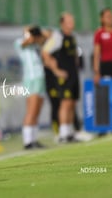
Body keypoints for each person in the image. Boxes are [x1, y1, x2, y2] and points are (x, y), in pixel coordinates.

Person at [42, 13, 80, 143]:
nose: (72, 22)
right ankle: (63, 134)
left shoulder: (72, 37)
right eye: (69, 20)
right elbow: (45, 52)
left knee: (72, 103)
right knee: (65, 103)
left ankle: (70, 133)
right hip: (64, 76)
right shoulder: (58, 37)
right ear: (62, 23)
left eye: (72, 19)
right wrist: (56, 70)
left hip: (73, 74)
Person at [14, 26, 47, 149]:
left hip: (40, 79)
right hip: (31, 80)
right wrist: (31, 36)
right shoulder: (19, 42)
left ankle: (33, 139)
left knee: (36, 112)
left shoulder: (36, 45)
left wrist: (38, 35)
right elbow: (24, 43)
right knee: (31, 111)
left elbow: (45, 37)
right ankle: (27, 141)